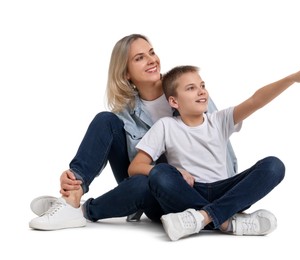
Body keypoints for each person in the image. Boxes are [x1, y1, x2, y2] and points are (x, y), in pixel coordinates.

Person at [29, 34, 238, 230]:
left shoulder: (189, 92)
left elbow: (221, 146)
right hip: (149, 182)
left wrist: (225, 198)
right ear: (126, 73)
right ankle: (73, 194)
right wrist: (73, 178)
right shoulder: (126, 114)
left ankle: (81, 210)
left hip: (190, 193)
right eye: (140, 58)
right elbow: (131, 166)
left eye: (152, 52)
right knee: (105, 120)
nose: (151, 60)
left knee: (142, 184)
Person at [128, 61, 300, 241]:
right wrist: (176, 172)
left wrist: (291, 79)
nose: (201, 92)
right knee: (160, 173)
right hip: (189, 192)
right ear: (174, 101)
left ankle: (202, 218)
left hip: (226, 192)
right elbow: (135, 167)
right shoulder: (166, 126)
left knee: (274, 166)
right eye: (191, 88)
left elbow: (256, 100)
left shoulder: (219, 120)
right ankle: (228, 222)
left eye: (202, 85)